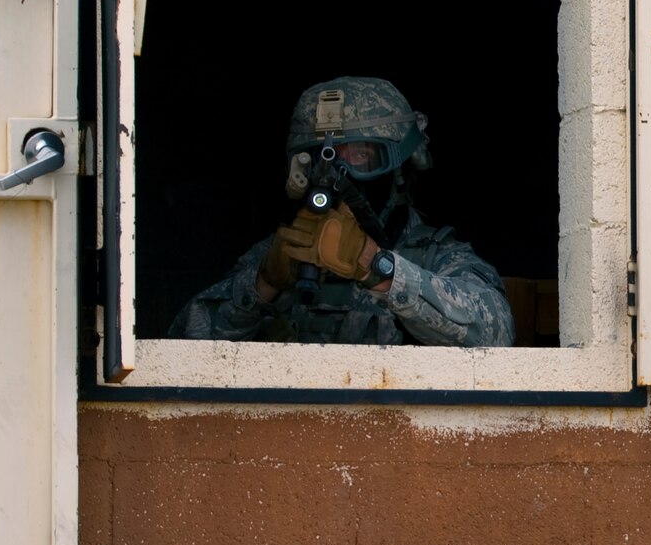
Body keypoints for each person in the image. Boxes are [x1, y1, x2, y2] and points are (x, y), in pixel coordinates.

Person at [168, 76, 515, 347]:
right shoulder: (283, 255)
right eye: (321, 157)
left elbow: (495, 332)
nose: (335, 174)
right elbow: (177, 350)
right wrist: (262, 285)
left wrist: (380, 270)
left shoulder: (437, 256)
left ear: (399, 170)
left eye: (361, 156)